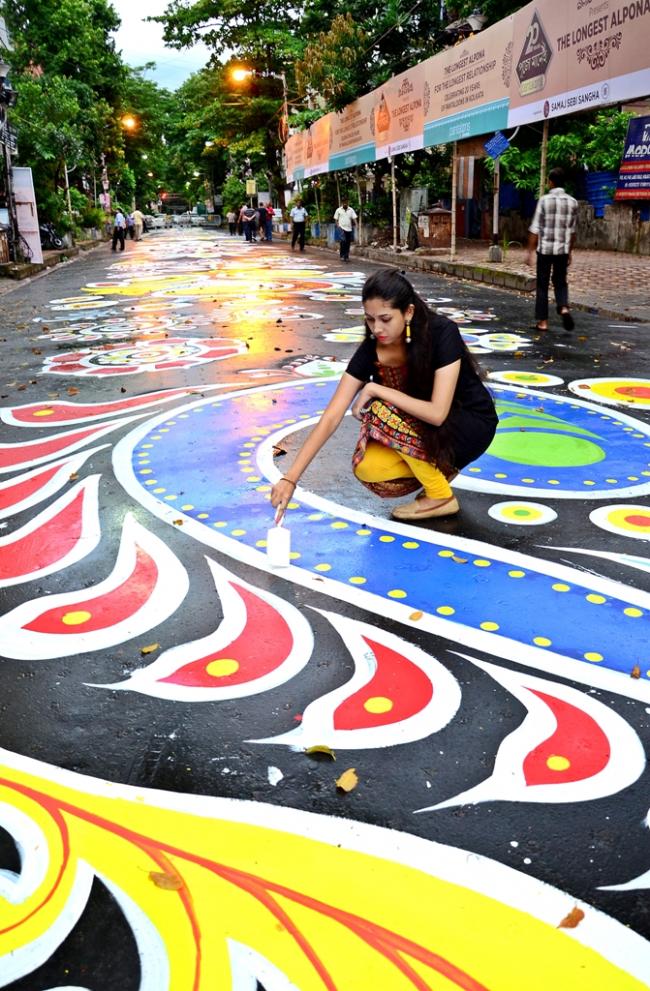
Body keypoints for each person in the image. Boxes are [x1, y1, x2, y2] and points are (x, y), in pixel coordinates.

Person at [270, 269, 498, 522]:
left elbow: (437, 413)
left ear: (408, 312)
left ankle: (439, 495)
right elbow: (332, 416)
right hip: (427, 432)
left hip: (470, 425)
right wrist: (289, 479)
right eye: (370, 320)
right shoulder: (371, 349)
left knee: (380, 410)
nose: (377, 328)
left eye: (386, 319)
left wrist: (376, 388)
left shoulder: (442, 332)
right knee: (369, 467)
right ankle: (438, 473)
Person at [526, 167, 578, 332]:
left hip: (545, 250)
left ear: (551, 182)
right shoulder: (572, 202)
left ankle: (543, 322)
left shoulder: (544, 200)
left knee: (542, 285)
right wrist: (569, 252)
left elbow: (535, 228)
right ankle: (563, 307)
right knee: (560, 281)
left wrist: (529, 252)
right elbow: (573, 231)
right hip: (562, 250)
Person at [334, 196, 357, 262]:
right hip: (341, 228)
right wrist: (338, 226)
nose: (345, 203)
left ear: (347, 202)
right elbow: (336, 219)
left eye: (346, 202)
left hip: (349, 229)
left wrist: (357, 225)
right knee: (343, 242)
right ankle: (342, 255)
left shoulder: (351, 210)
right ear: (342, 202)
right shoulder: (338, 210)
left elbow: (354, 218)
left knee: (348, 243)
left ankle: (346, 256)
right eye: (343, 202)